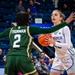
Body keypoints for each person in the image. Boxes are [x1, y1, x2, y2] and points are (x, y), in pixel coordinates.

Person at [0, 11, 74, 75]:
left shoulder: (10, 30)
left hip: (10, 58)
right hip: (23, 57)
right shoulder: (30, 29)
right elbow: (50, 29)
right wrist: (66, 22)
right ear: (26, 20)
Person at [45, 10, 75, 75]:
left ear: (60, 18)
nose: (53, 16)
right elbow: (52, 45)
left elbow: (68, 45)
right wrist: (48, 42)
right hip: (58, 57)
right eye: (52, 15)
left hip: (68, 56)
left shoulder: (65, 28)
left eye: (55, 15)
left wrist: (54, 42)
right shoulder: (51, 29)